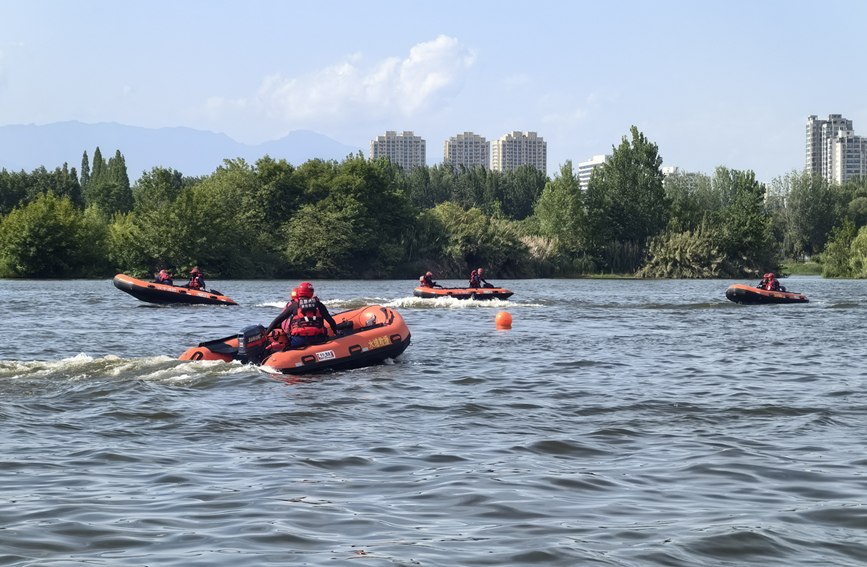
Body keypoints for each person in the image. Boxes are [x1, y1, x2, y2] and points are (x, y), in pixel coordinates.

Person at [264, 282, 338, 348]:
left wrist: (267, 334)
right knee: (324, 329)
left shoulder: (294, 305)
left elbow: (277, 320)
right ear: (311, 292)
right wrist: (335, 333)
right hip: (318, 338)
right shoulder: (319, 305)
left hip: (299, 340)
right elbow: (330, 321)